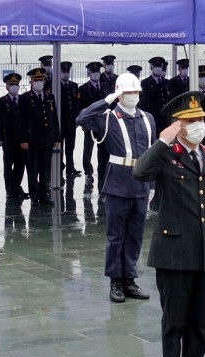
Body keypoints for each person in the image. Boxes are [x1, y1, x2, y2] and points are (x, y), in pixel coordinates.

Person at [133, 91, 205, 357]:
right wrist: (161, 141)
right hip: (173, 252)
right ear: (177, 125)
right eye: (191, 120)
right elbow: (139, 172)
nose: (199, 124)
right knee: (174, 321)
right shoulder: (165, 155)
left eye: (200, 118)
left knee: (199, 322)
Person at [76, 73, 154, 303]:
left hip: (141, 183)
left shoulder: (147, 118)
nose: (133, 96)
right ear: (119, 94)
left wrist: (153, 184)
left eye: (135, 92)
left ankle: (129, 279)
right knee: (115, 236)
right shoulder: (107, 117)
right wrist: (108, 99)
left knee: (135, 235)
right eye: (128, 92)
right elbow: (81, 119)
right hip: (118, 183)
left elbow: (152, 153)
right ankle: (115, 282)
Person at [19, 67, 61, 206]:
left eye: (41, 80)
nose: (38, 82)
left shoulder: (49, 97)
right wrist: (23, 139)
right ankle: (34, 197)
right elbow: (21, 121)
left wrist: (57, 138)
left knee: (45, 169)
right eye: (35, 80)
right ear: (30, 82)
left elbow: (54, 118)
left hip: (47, 139)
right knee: (33, 169)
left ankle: (44, 195)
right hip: (32, 141)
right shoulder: (25, 98)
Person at [0, 73, 28, 199]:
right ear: (7, 86)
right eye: (11, 84)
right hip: (8, 139)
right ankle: (10, 190)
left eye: (16, 84)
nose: (14, 86)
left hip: (22, 139)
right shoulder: (2, 101)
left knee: (20, 165)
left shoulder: (24, 100)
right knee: (8, 166)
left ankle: (17, 187)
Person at [77, 62, 108, 187]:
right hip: (89, 124)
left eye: (97, 71)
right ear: (89, 73)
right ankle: (88, 173)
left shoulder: (105, 86)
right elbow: (80, 106)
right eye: (93, 71)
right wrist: (83, 123)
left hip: (102, 123)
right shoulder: (83, 88)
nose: (95, 73)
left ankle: (102, 172)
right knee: (88, 149)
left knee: (103, 150)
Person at [59, 62, 81, 176]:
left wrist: (77, 118)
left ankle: (70, 167)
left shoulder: (74, 86)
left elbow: (76, 103)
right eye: (64, 71)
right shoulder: (55, 85)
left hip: (71, 122)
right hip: (60, 121)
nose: (66, 73)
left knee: (70, 146)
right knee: (59, 147)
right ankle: (59, 166)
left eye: (67, 71)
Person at [140, 56, 172, 132]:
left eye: (160, 66)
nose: (158, 69)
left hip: (164, 117)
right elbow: (144, 102)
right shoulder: (145, 83)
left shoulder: (166, 82)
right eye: (156, 66)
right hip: (152, 116)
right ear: (151, 68)